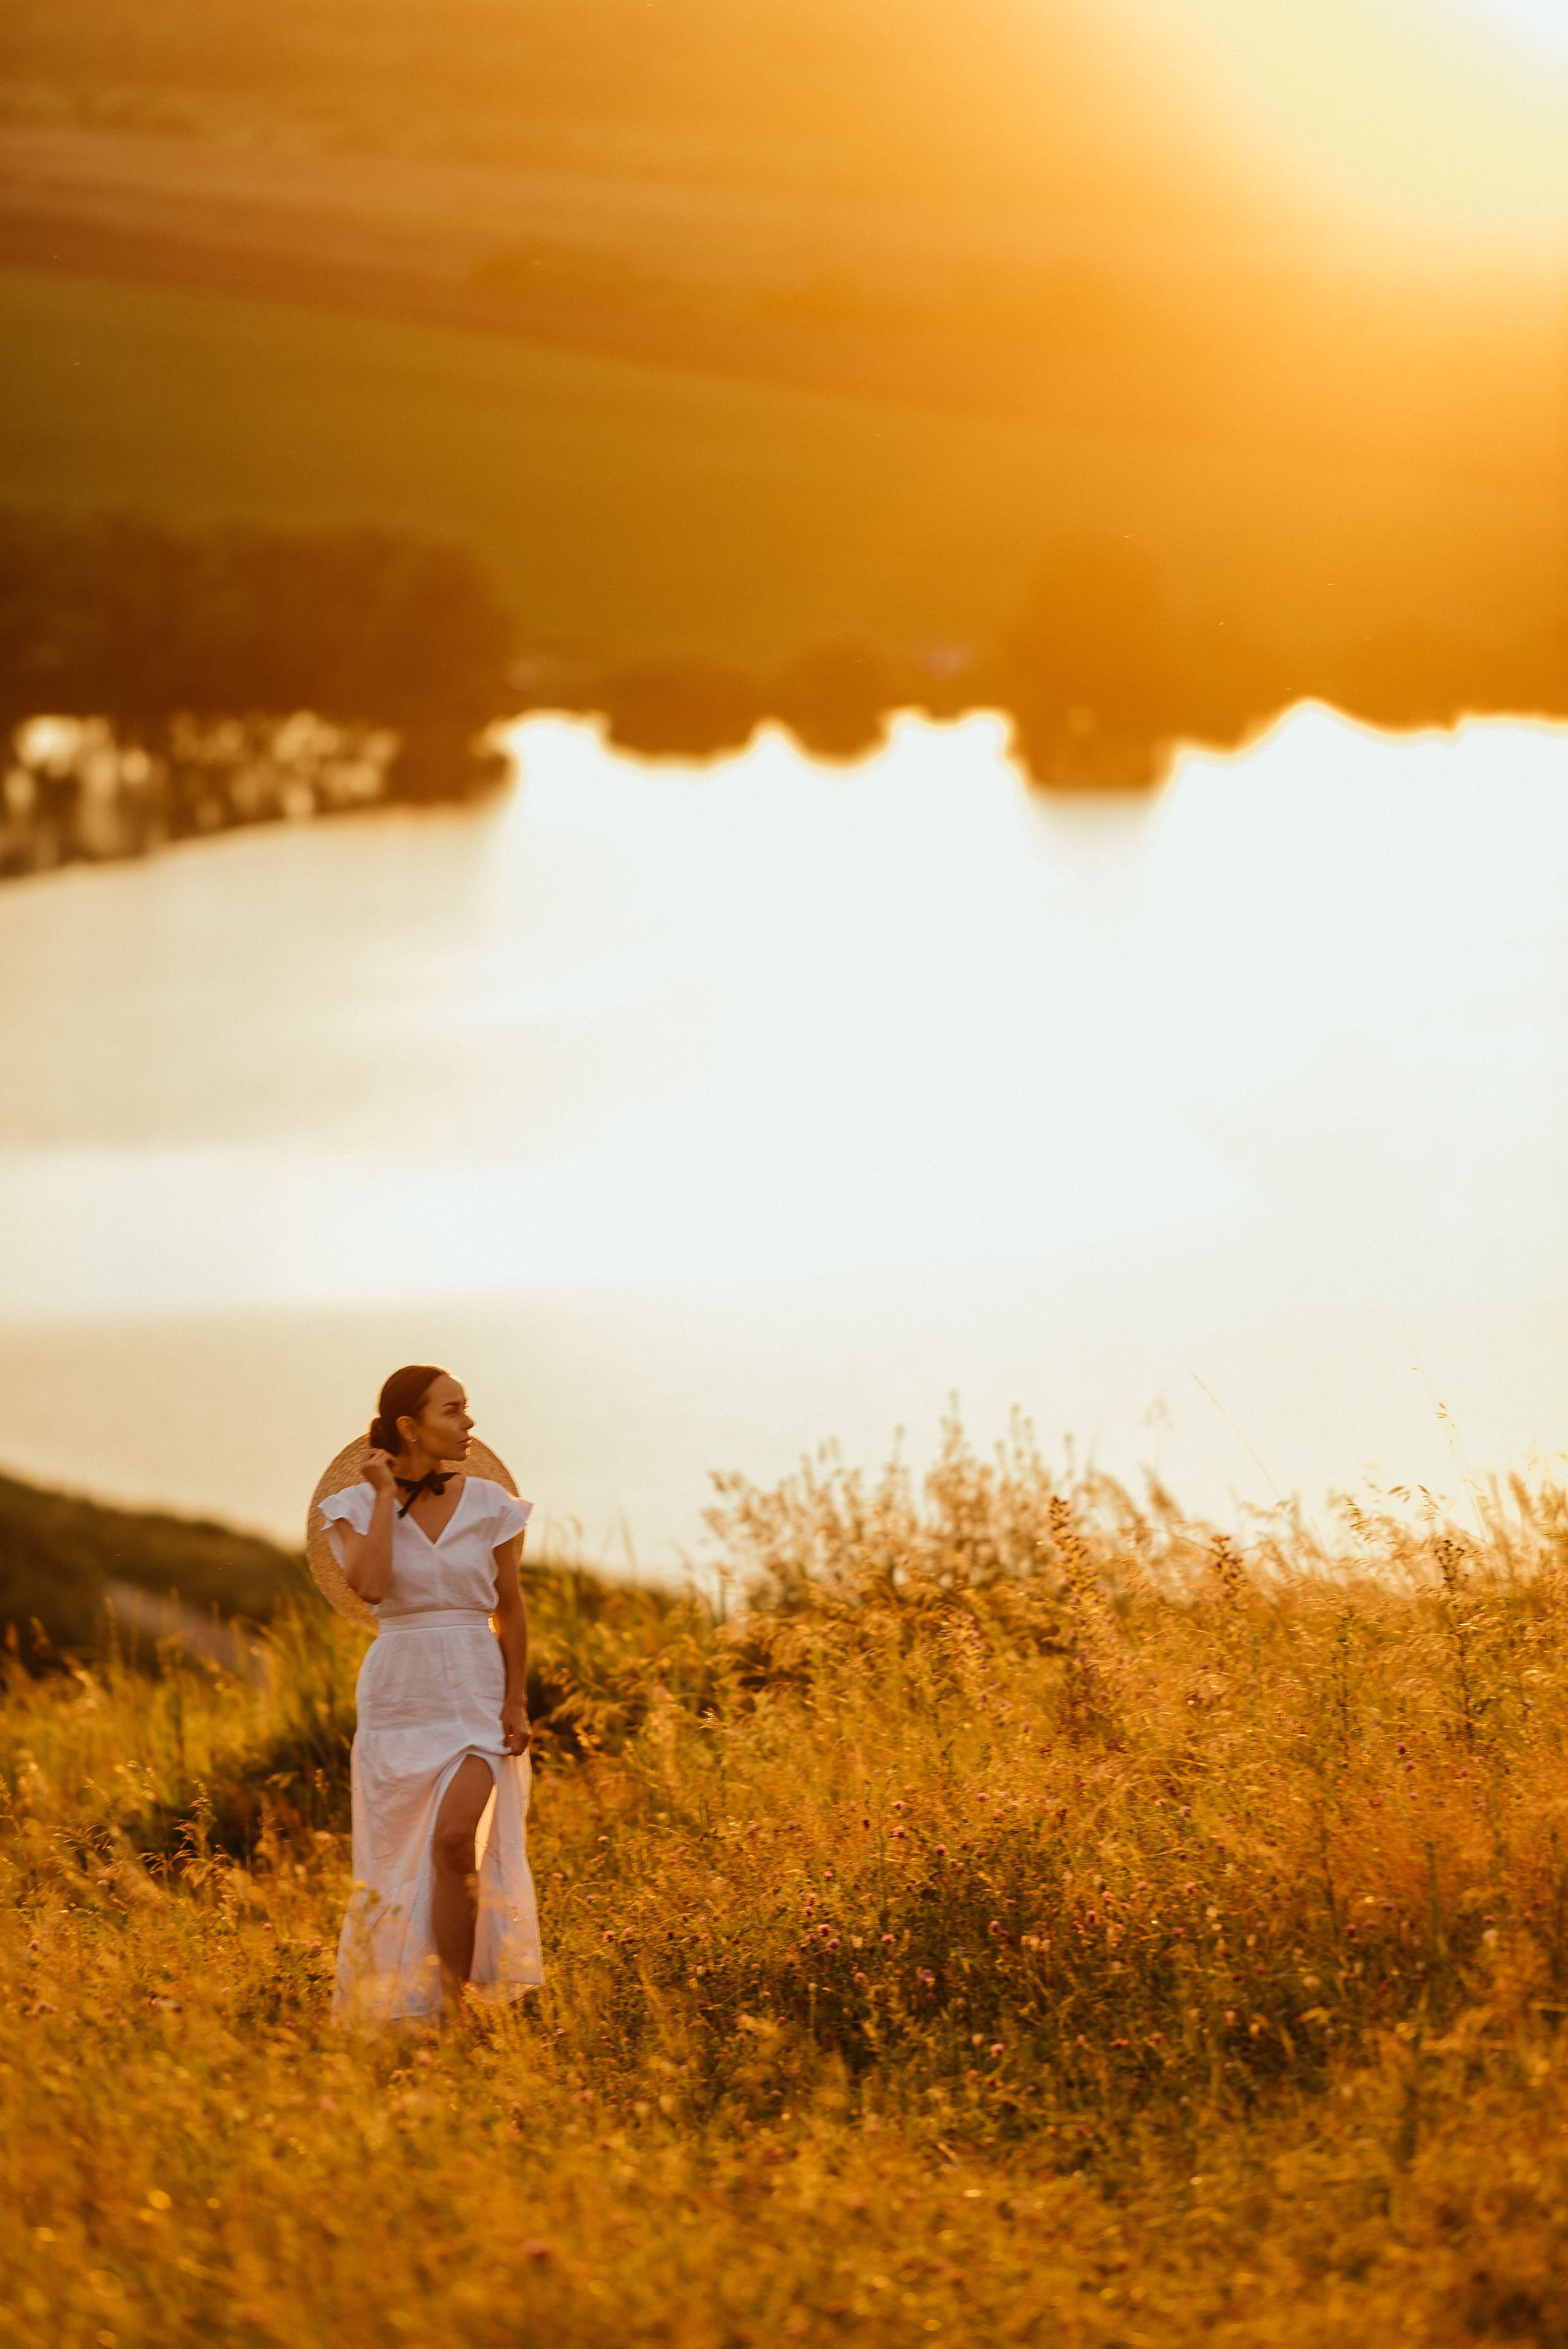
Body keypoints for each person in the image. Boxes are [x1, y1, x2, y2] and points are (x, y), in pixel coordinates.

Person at [317, 1364, 543, 2026]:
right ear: (409, 1426)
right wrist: (385, 1495)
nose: (468, 1422)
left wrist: (516, 1702)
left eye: (466, 1408)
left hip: (477, 1688)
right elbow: (371, 1586)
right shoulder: (355, 1508)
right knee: (404, 1854)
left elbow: (512, 1607)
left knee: (452, 1841)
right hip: (400, 1695)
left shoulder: (490, 1506)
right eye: (452, 1410)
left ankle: (455, 2006)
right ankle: (434, 2016)